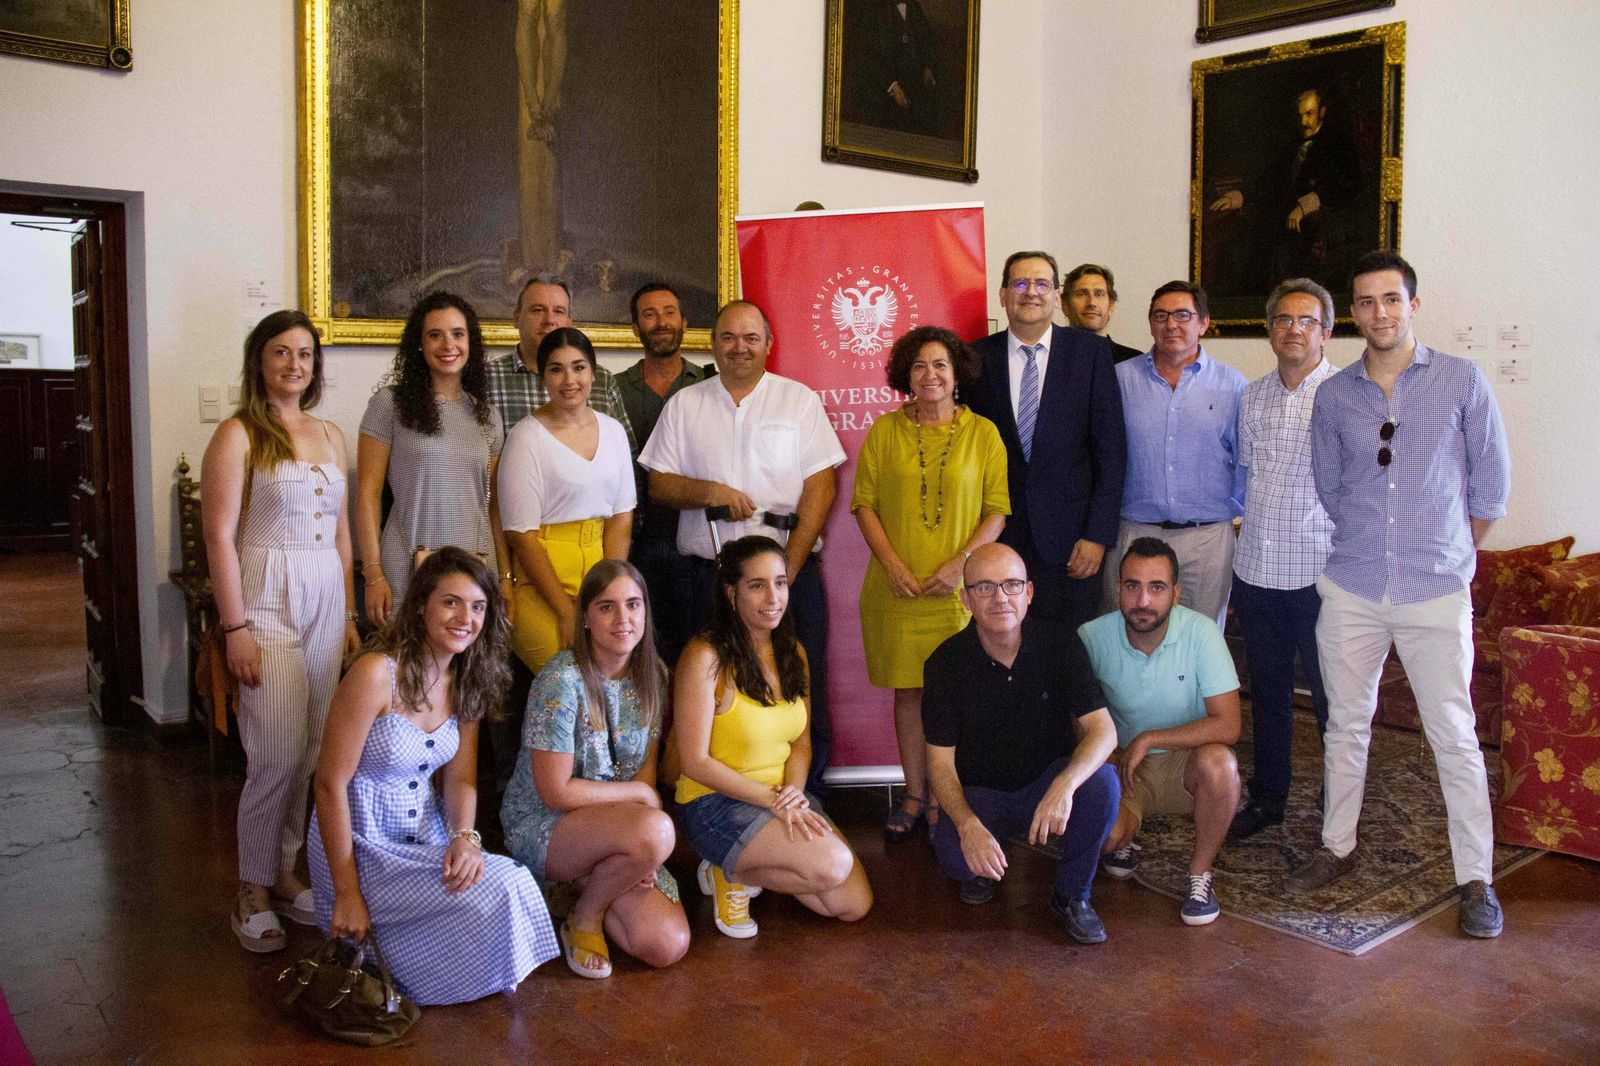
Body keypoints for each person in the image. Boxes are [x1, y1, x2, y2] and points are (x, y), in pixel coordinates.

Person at [1286, 251, 1511, 940]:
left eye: (1391, 299)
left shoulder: (1461, 380)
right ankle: (1337, 847)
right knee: (1346, 726)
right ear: (1352, 313)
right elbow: (1330, 486)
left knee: (1454, 736)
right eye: (1365, 301)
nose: (1378, 312)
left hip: (1433, 588)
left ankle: (1476, 878)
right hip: (1352, 585)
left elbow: (1489, 489)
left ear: (1413, 305)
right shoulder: (1334, 396)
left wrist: (1442, 547)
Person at [309, 548, 558, 1005]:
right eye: (451, 602)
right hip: (360, 846)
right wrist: (346, 890)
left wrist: (465, 837)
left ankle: (408, 965)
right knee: (507, 884)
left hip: (423, 838)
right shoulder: (375, 674)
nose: (466, 617)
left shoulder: (466, 678)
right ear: (421, 604)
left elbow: (460, 780)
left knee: (499, 883)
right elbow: (328, 784)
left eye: (478, 606)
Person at [202, 310, 361, 953]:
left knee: (320, 747)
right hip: (265, 600)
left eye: (304, 353)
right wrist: (233, 626)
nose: (294, 364)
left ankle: (286, 868)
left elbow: (343, 535)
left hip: (325, 597)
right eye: (280, 353)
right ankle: (250, 886)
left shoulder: (330, 433)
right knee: (274, 751)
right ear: (259, 362)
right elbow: (218, 535)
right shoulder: (239, 434)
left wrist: (348, 614)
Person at [640, 300, 845, 794]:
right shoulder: (685, 404)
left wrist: (786, 575)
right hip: (707, 578)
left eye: (751, 338)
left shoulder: (798, 401)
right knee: (705, 692)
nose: (739, 347)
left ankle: (805, 798)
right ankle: (709, 798)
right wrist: (710, 492)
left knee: (796, 686)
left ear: (769, 345)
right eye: (728, 337)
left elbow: (822, 489)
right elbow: (659, 486)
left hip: (787, 574)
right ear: (712, 345)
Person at [852, 325, 1009, 842]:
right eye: (919, 366)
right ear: (906, 375)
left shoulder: (983, 433)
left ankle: (951, 797)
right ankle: (915, 794)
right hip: (897, 589)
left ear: (956, 372)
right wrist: (894, 565)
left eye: (940, 364)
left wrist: (962, 565)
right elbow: (865, 504)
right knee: (909, 696)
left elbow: (996, 511)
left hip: (959, 592)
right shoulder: (884, 430)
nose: (930, 375)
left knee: (956, 695)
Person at [674, 536, 873, 939]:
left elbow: (800, 742)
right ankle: (729, 869)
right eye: (757, 585)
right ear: (731, 593)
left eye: (780, 583)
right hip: (715, 803)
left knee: (853, 905)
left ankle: (737, 864)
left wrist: (793, 795)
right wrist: (771, 800)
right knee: (832, 865)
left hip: (780, 796)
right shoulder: (704, 656)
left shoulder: (793, 652)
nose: (773, 597)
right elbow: (693, 761)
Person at [500, 560, 690, 978]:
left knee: (666, 944)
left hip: (619, 824)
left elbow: (644, 769)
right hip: (548, 823)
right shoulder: (560, 679)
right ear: (584, 617)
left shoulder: (653, 675)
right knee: (656, 829)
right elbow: (555, 792)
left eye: (633, 604)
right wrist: (640, 808)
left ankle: (591, 882)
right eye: (606, 607)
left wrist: (642, 855)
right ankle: (584, 916)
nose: (623, 619)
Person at [922, 544, 1120, 944]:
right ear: (966, 599)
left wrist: (1065, 785)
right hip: (981, 795)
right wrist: (966, 825)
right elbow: (939, 766)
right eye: (985, 587)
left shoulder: (1060, 644)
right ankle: (983, 865)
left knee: (1103, 784)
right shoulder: (944, 663)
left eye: (1011, 585)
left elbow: (1104, 731)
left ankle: (1071, 895)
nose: (1000, 598)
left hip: (1044, 785)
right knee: (957, 860)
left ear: (1029, 592)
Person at [494, 327, 635, 779]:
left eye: (578, 367)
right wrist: (566, 611)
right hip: (541, 583)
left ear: (593, 373)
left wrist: (611, 593)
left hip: (600, 572)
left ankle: (607, 791)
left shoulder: (612, 431)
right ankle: (557, 793)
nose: (568, 379)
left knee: (618, 678)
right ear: (542, 375)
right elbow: (521, 534)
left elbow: (621, 518)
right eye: (556, 369)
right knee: (574, 678)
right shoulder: (525, 437)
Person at [1080, 537, 1242, 926]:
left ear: (1176, 593)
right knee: (1103, 839)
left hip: (1186, 765)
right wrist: (1106, 754)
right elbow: (1075, 717)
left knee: (1222, 763)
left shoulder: (1202, 633)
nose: (1143, 601)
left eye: (1157, 588)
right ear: (1117, 589)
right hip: (1123, 768)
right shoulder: (1090, 637)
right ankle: (1126, 839)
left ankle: (1200, 874)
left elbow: (1229, 724)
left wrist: (1151, 738)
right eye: (1132, 586)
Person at [1228, 278, 1337, 840]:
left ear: (1327, 330)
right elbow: (1248, 476)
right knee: (1267, 694)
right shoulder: (1251, 396)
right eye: (1282, 320)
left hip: (1322, 576)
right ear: (1270, 330)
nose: (1293, 330)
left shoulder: (1348, 394)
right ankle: (1269, 798)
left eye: (1306, 321)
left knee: (1331, 700)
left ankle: (1338, 808)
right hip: (1257, 571)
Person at [967, 251, 1126, 633]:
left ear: (1056, 296)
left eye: (1041, 284)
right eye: (1020, 283)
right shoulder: (974, 358)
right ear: (1003, 294)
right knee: (1000, 643)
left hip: (1072, 541)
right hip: (998, 536)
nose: (1031, 292)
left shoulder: (1090, 354)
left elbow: (1111, 450)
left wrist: (1096, 535)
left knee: (1068, 651)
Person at [356, 291, 510, 621]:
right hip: (406, 568)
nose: (448, 345)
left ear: (472, 343)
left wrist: (503, 577)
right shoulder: (390, 404)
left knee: (464, 671)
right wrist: (373, 575)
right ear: (419, 344)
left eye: (458, 334)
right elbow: (367, 495)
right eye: (435, 335)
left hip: (474, 570)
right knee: (407, 670)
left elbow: (493, 506)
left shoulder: (488, 417)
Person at [1105, 281, 1246, 628]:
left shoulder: (1233, 386)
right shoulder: (1119, 381)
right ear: (1150, 323)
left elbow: (1246, 463)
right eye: (1161, 315)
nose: (1171, 324)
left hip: (1206, 539)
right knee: (1128, 637)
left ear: (1204, 323)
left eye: (1183, 315)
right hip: (1134, 532)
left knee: (1202, 640)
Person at [615, 282, 713, 665]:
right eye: (650, 315)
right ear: (636, 328)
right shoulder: (613, 388)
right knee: (644, 652)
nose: (661, 322)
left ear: (684, 322)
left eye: (669, 313)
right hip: (637, 540)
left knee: (702, 648)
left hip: (700, 539)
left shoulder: (711, 385)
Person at [1207, 87, 1365, 295]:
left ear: (1322, 112)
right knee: (1241, 243)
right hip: (1280, 217)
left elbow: (1347, 184)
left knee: (1285, 255)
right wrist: (1239, 196)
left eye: (1309, 114)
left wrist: (1306, 205)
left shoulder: (1337, 142)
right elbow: (1269, 180)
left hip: (1320, 218)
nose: (1303, 122)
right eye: (1300, 115)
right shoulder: (1292, 145)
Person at [485, 274, 636, 445]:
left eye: (558, 311)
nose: (549, 320)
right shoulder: (486, 378)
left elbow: (626, 453)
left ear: (569, 321)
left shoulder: (602, 379)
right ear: (517, 318)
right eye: (537, 310)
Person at [1062, 263, 1144, 363]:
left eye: (1099, 294)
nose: (1092, 302)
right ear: (1065, 305)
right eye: (1082, 294)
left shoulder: (1133, 362)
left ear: (1111, 305)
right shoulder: (1048, 358)